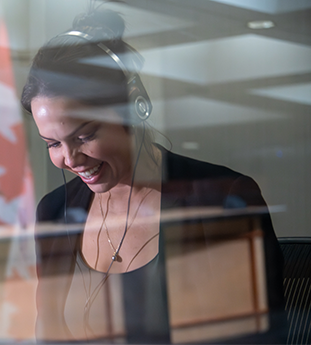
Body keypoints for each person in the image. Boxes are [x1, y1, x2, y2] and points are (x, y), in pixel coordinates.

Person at [21, 7, 286, 344]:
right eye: (53, 144)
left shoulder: (223, 199)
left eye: (84, 136)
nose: (70, 159)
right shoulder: (55, 211)